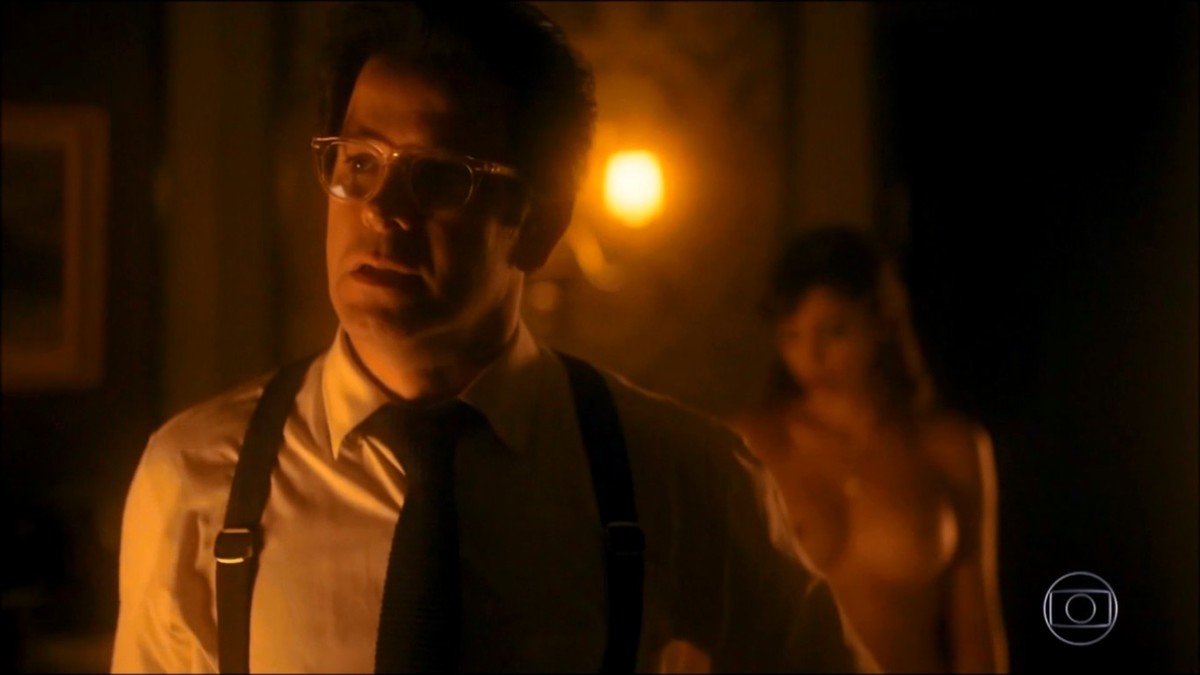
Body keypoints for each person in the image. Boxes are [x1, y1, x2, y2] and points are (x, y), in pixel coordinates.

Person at [110, 3, 870, 673]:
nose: (382, 207)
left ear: (540, 222)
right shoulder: (200, 478)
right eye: (360, 162)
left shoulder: (676, 475)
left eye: (439, 175)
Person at [727, 224, 1009, 673]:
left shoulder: (949, 448)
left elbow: (975, 624)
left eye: (833, 331)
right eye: (791, 336)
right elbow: (708, 608)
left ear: (882, 322)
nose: (811, 355)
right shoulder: (753, 446)